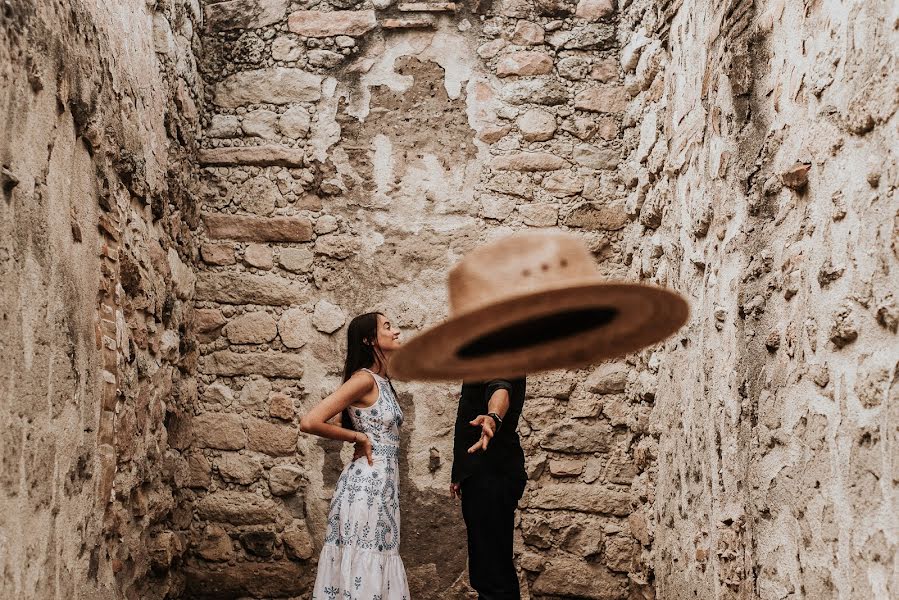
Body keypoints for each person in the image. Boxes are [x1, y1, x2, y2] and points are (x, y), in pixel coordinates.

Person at [300, 312, 410, 600]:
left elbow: (346, 419)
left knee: (379, 556)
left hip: (383, 487)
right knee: (365, 557)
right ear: (369, 339)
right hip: (366, 485)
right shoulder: (363, 379)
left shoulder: (383, 381)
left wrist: (358, 429)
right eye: (387, 326)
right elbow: (311, 421)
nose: (396, 331)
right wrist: (358, 436)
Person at [450, 378, 527, 600]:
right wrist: (461, 471)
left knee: (493, 577)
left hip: (492, 475)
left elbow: (501, 387)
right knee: (490, 570)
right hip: (483, 474)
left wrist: (493, 417)